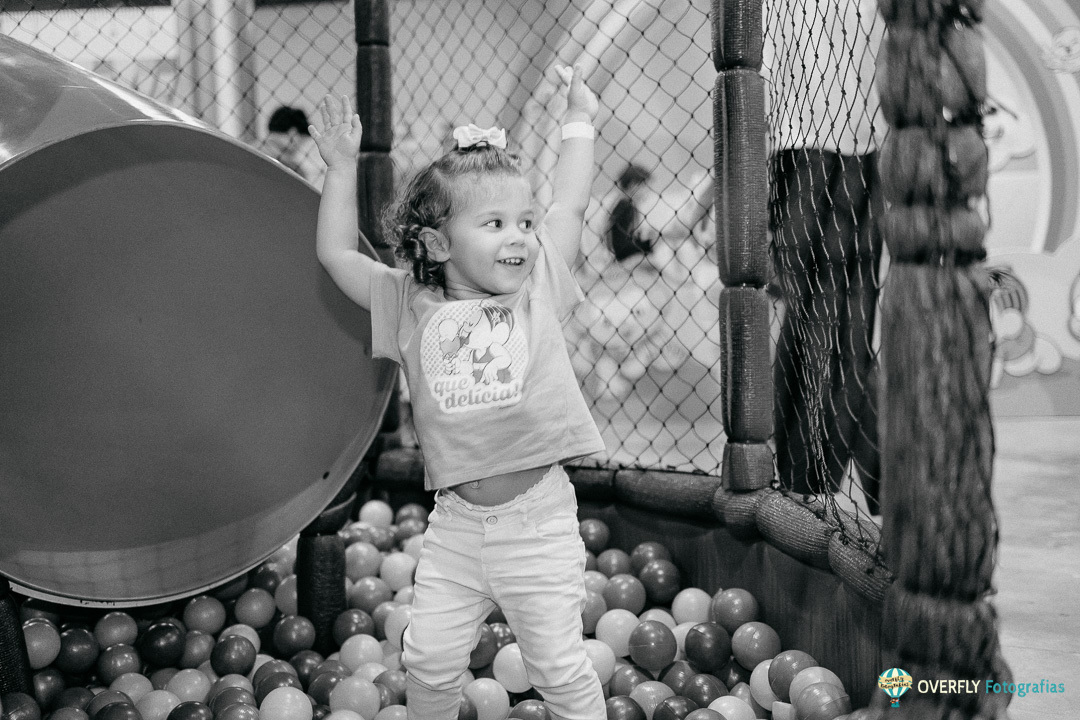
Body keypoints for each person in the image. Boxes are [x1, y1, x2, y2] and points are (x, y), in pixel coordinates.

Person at [310, 65, 604, 720]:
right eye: (495, 224)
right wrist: (338, 168)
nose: (520, 237)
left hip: (538, 523)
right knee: (428, 659)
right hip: (456, 528)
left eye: (525, 222)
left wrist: (579, 116)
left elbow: (572, 204)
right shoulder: (408, 302)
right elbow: (337, 257)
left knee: (558, 664)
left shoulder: (539, 286)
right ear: (438, 244)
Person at [764, 0, 886, 514]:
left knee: (821, 322)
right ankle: (881, 484)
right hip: (859, 148)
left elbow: (758, 86)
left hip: (808, 149)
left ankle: (806, 478)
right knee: (847, 327)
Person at [264, 105, 312, 179]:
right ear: (293, 133)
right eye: (302, 139)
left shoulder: (249, 151)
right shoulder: (294, 171)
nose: (300, 145)